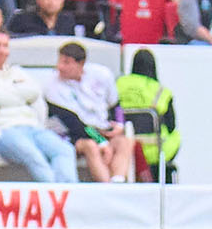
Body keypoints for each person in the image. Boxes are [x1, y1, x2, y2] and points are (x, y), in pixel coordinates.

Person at [0, 26, 79, 182]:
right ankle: (56, 197)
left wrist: (3, 94)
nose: (2, 50)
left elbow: (35, 93)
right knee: (34, 155)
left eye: (5, 45)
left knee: (65, 150)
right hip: (2, 131)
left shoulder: (17, 71)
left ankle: (70, 196)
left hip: (33, 127)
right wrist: (20, 95)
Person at [44, 40, 137, 181]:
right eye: (60, 61)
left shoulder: (102, 74)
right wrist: (101, 141)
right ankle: (105, 189)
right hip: (74, 135)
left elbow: (115, 104)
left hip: (102, 128)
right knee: (92, 147)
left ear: (81, 64)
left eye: (66, 62)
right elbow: (75, 124)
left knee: (125, 142)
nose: (60, 67)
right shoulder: (53, 86)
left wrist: (119, 125)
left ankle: (118, 183)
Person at [116, 48, 179, 179]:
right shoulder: (161, 91)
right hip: (155, 150)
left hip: (123, 146)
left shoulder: (117, 84)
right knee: (176, 136)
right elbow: (171, 126)